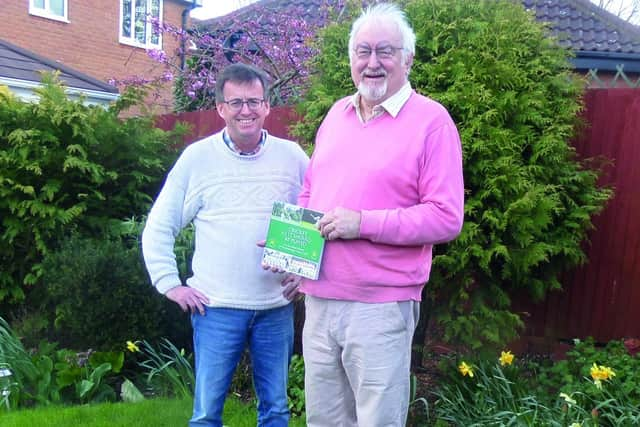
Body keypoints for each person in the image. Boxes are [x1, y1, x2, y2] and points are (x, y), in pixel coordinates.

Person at [298, 3, 465, 426]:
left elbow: (446, 217)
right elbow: (310, 191)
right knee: (324, 421)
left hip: (380, 307)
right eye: (363, 51)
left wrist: (363, 223)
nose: (373, 63)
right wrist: (290, 245)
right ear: (351, 58)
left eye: (385, 51)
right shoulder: (336, 115)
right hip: (319, 301)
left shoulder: (432, 122)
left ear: (408, 59)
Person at [141, 63, 309, 427]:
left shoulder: (292, 157)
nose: (245, 111)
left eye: (253, 101)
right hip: (215, 309)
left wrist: (302, 271)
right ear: (220, 108)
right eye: (235, 103)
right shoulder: (197, 159)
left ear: (267, 106)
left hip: (275, 307)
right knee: (205, 414)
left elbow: (314, 216)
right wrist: (169, 283)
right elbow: (159, 225)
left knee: (277, 411)